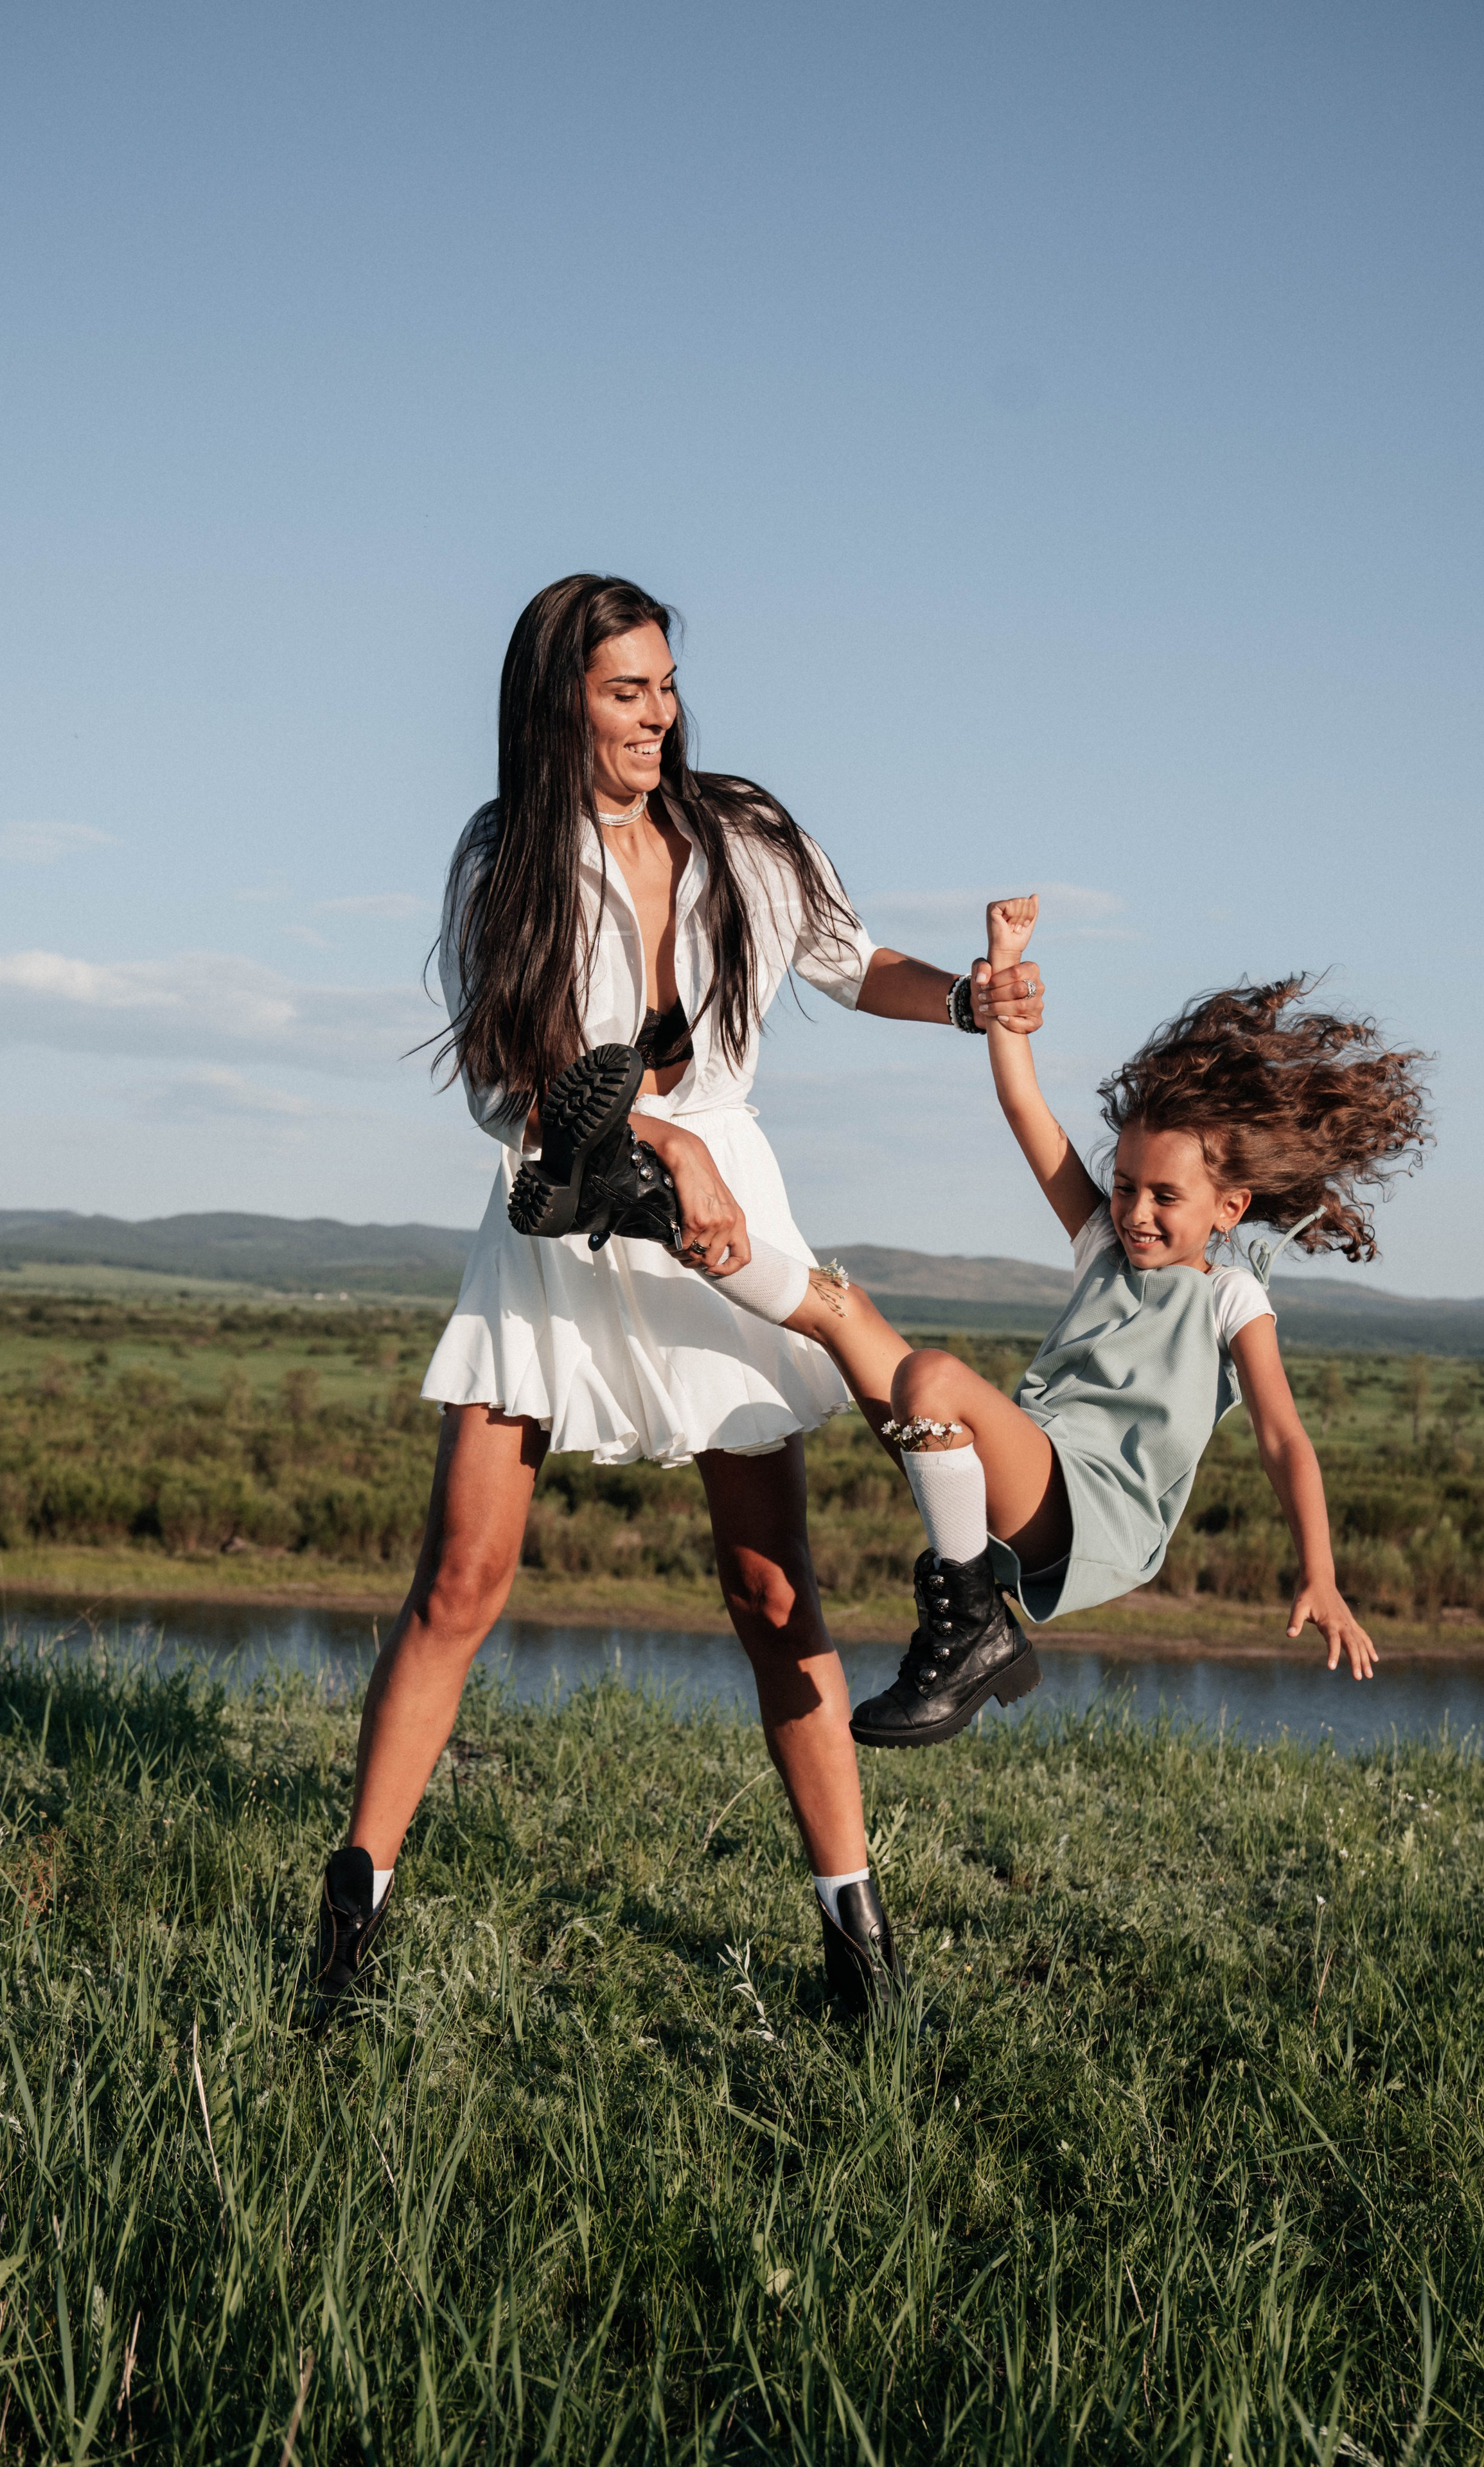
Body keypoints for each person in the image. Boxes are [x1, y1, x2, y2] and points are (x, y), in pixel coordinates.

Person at [304, 575, 1043, 2024]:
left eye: (662, 687)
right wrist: (646, 1133)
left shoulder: (743, 832)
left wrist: (965, 999)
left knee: (772, 1592)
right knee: (459, 1580)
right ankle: (342, 1944)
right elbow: (502, 1074)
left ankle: (859, 1959)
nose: (656, 715)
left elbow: (849, 959)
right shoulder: (509, 852)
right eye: (621, 691)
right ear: (558, 703)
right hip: (569, 1195)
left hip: (723, 1215)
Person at [667, 894, 1431, 1744]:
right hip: (1029, 1467)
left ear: (1230, 1207)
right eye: (1127, 1186)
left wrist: (1319, 1575)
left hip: (1093, 1507)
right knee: (846, 1309)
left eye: (1166, 1197)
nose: (1137, 1212)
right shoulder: (1103, 1241)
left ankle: (970, 1627)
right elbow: (1025, 1106)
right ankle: (682, 1227)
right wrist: (999, 967)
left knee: (934, 1378)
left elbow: (1284, 1438)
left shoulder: (1230, 1299)